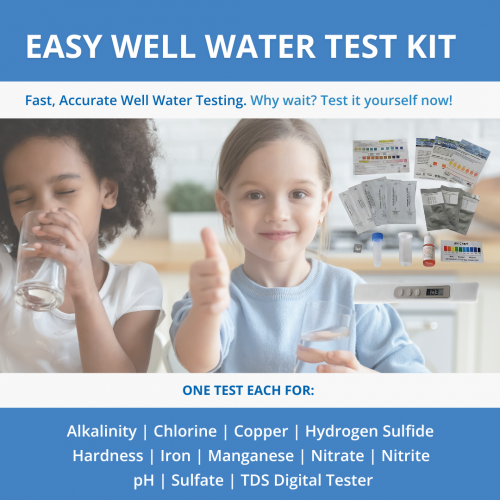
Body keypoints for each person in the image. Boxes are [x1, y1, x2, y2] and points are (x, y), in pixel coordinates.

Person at [170, 119, 428, 374]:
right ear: (227, 208)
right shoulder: (215, 298)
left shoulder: (353, 294)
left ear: (323, 206)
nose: (278, 213)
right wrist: (206, 312)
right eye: (255, 195)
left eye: (298, 194)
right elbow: (195, 363)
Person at [0, 119, 164, 373]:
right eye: (22, 199)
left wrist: (84, 290)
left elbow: (118, 399)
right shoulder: (6, 275)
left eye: (65, 191)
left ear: (107, 191)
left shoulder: (135, 286)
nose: (43, 211)